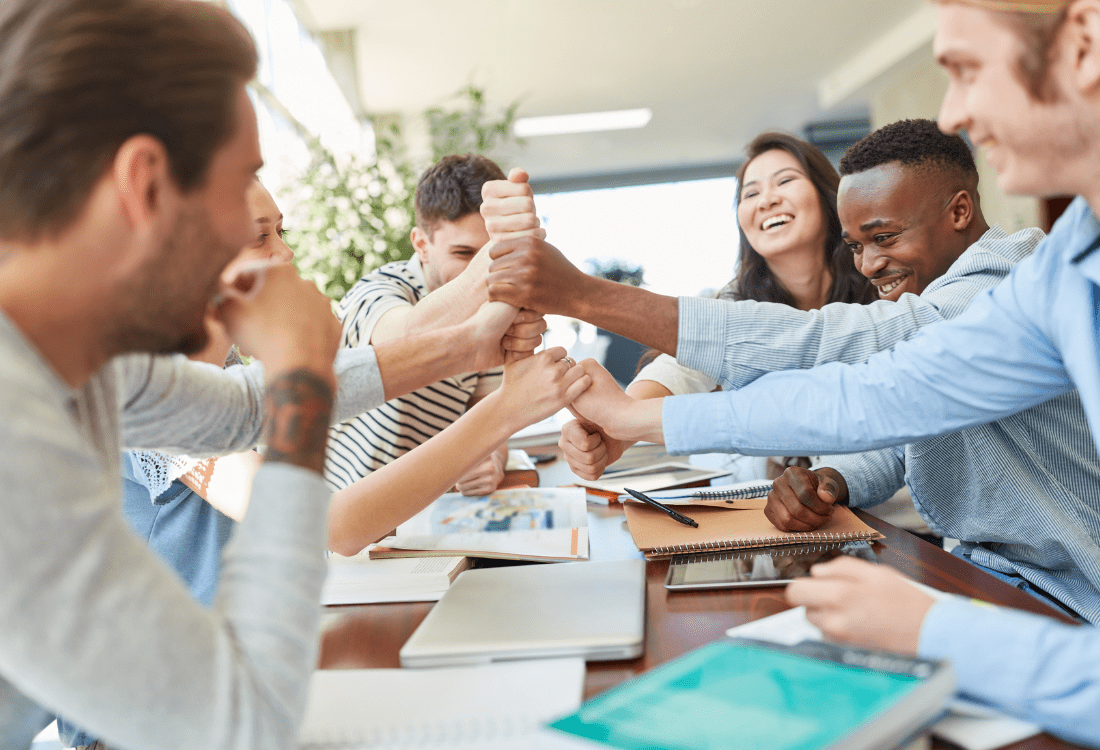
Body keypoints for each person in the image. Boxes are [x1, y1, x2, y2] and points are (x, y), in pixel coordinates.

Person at [0, 2, 564, 748]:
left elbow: (239, 409)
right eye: (242, 190)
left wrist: (470, 344)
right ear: (145, 184)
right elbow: (245, 721)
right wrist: (301, 370)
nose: (267, 250)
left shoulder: (85, 358)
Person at [561, 0, 1100, 742]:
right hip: (1000, 591)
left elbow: (850, 358)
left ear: (1085, 43)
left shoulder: (1006, 278)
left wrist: (590, 303)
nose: (956, 111)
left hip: (1061, 606)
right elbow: (893, 401)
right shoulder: (1064, 268)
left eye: (966, 70)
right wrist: (836, 477)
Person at [571, 132, 876, 484]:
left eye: (786, 181)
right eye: (751, 193)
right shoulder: (734, 303)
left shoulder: (879, 290)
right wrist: (612, 433)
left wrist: (624, 418)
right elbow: (680, 369)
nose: (767, 200)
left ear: (828, 197)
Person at [326, 155, 543, 495]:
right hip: (339, 525)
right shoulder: (378, 291)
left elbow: (489, 417)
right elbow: (401, 341)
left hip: (422, 524)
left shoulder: (490, 314)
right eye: (463, 253)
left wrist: (490, 460)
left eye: (491, 252)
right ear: (422, 245)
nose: (484, 269)